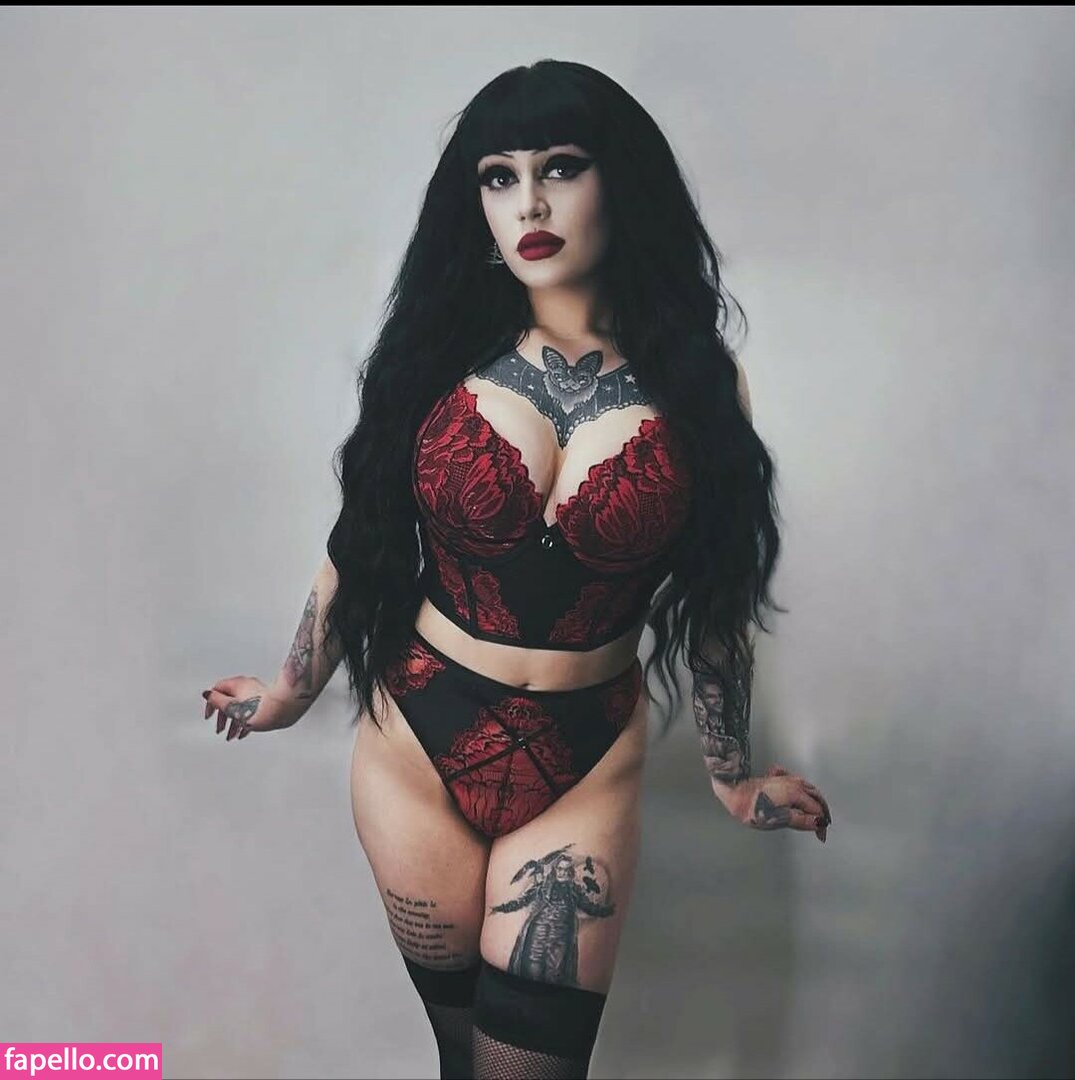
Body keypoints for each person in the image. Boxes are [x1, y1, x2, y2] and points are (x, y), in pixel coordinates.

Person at [201, 59, 833, 1080]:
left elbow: (716, 595)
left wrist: (730, 776)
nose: (529, 203)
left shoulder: (701, 385)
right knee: (461, 1057)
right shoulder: (434, 356)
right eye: (498, 177)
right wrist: (288, 692)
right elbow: (361, 543)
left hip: (583, 757)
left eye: (560, 167)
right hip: (415, 740)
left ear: (619, 181)